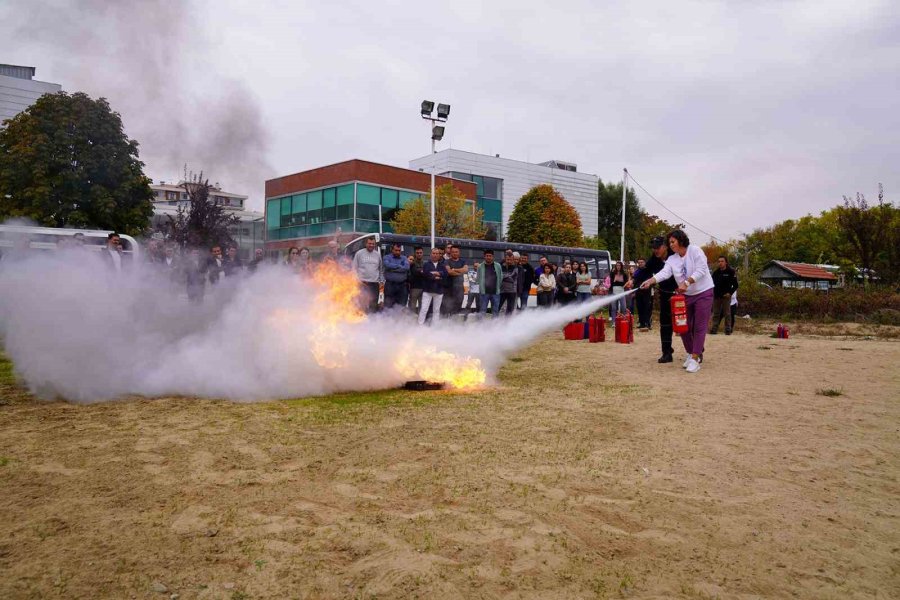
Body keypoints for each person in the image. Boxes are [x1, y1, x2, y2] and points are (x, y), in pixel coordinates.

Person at [640, 230, 714, 373]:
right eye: (670, 243)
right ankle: (691, 353)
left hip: (704, 292)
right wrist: (651, 280)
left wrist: (686, 282)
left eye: (673, 241)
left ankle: (695, 358)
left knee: (699, 326)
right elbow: (665, 273)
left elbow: (702, 270)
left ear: (681, 240)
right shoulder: (672, 259)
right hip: (687, 296)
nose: (671, 245)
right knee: (682, 326)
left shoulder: (695, 251)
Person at [627, 236, 678, 363]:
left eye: (658, 247)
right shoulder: (654, 259)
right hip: (665, 294)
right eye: (653, 248)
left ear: (665, 246)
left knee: (684, 322)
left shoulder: (676, 256)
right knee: (665, 323)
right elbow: (644, 271)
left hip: (680, 294)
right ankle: (666, 352)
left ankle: (696, 350)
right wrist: (633, 280)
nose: (655, 250)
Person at [352, 237, 383, 313]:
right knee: (362, 304)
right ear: (366, 244)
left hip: (374, 284)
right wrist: (357, 281)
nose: (371, 245)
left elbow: (381, 269)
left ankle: (372, 322)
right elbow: (354, 269)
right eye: (369, 243)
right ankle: (362, 322)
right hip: (362, 283)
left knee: (373, 304)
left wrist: (381, 281)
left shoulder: (378, 255)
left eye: (373, 244)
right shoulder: (359, 253)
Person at [710, 256, 739, 335]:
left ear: (726, 262)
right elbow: (711, 284)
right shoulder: (716, 272)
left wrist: (730, 293)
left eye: (722, 261)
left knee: (727, 313)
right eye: (719, 261)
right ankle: (714, 329)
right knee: (716, 313)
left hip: (726, 296)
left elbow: (736, 285)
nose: (720, 263)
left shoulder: (731, 272)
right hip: (716, 296)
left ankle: (728, 329)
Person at [419, 248, 448, 325]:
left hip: (439, 291)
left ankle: (435, 326)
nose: (435, 255)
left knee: (436, 310)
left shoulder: (442, 265)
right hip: (427, 290)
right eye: (433, 253)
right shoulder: (426, 264)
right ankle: (420, 325)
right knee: (424, 309)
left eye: (436, 253)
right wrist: (437, 275)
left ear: (439, 255)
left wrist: (435, 274)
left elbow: (445, 275)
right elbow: (426, 275)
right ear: (431, 254)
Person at [382, 242, 410, 310]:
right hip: (390, 285)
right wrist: (400, 267)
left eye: (399, 250)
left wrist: (392, 269)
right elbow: (387, 265)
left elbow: (406, 267)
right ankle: (387, 320)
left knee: (401, 305)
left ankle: (398, 320)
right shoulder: (386, 257)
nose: (398, 252)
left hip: (402, 286)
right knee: (388, 305)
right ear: (392, 249)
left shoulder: (404, 258)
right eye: (396, 250)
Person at [443, 245, 467, 318]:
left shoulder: (463, 261)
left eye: (456, 252)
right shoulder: (446, 261)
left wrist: (454, 269)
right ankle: (447, 324)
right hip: (449, 289)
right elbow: (449, 272)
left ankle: (454, 324)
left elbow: (465, 270)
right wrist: (460, 272)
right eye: (453, 252)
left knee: (458, 306)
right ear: (450, 252)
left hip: (460, 288)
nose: (454, 253)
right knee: (448, 307)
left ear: (459, 252)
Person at [477, 249, 502, 318]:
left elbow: (500, 277)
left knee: (495, 311)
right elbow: (478, 279)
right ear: (484, 257)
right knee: (482, 311)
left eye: (490, 256)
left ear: (493, 257)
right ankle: (481, 326)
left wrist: (498, 288)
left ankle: (495, 326)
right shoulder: (480, 266)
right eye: (487, 256)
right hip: (484, 293)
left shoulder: (498, 266)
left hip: (495, 293)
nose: (488, 257)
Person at [631, 258, 653, 330]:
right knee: (640, 308)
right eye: (639, 262)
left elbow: (652, 281)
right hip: (638, 292)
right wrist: (632, 289)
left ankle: (648, 324)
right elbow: (634, 281)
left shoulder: (648, 271)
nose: (640, 263)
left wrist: (648, 286)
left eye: (642, 262)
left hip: (646, 292)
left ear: (645, 263)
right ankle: (642, 323)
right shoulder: (637, 272)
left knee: (647, 308)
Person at [499, 252, 519, 316]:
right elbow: (500, 277)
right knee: (498, 308)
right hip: (502, 291)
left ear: (513, 260)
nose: (509, 261)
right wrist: (508, 276)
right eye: (508, 259)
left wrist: (504, 276)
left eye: (511, 259)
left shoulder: (516, 268)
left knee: (510, 309)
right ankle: (497, 322)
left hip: (512, 291)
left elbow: (512, 279)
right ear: (505, 259)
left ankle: (507, 324)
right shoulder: (500, 267)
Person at [408, 246, 425, 314]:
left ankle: (420, 323)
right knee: (412, 307)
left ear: (423, 253)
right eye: (417, 253)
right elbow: (415, 272)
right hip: (414, 288)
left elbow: (426, 273)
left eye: (420, 252)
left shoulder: (425, 263)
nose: (419, 254)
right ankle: (411, 322)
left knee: (422, 308)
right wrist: (421, 272)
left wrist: (421, 272)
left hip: (423, 287)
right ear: (415, 253)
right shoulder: (411, 263)